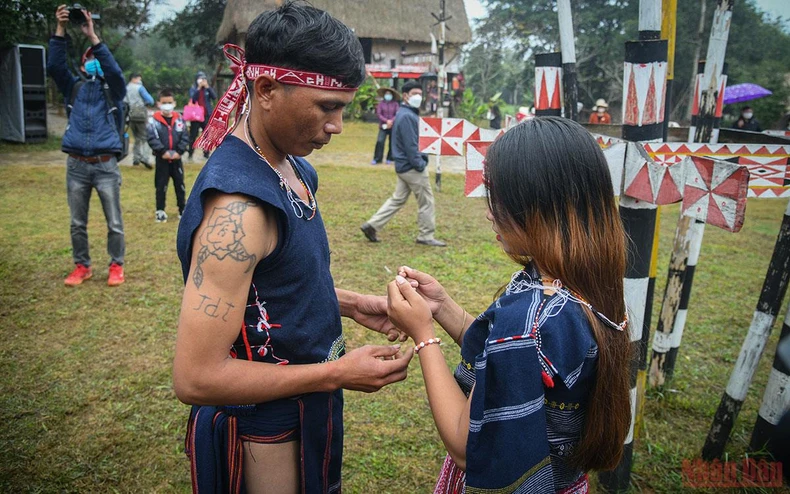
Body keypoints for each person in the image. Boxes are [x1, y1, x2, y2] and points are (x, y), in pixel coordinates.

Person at [173, 3, 412, 492]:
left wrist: (349, 303)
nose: (338, 126)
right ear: (266, 90)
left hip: (309, 407)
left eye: (343, 108)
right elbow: (196, 376)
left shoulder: (294, 166)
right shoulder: (238, 212)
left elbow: (268, 285)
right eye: (327, 107)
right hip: (264, 429)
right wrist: (336, 373)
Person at [386, 117, 632, 493]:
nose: (489, 212)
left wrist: (424, 335)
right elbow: (511, 367)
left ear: (539, 208)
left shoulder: (529, 319)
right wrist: (444, 308)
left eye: (499, 199)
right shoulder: (581, 288)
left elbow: (466, 444)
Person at [47, 4, 127, 287]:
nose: (94, 62)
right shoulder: (74, 87)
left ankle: (116, 266)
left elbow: (115, 71)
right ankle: (82, 266)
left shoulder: (114, 90)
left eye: (98, 59)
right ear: (83, 66)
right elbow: (55, 66)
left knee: (114, 222)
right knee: (76, 223)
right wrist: (60, 28)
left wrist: (93, 37)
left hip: (106, 164)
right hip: (77, 165)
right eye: (89, 59)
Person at [360, 80, 446, 247]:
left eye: (420, 94)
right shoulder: (407, 116)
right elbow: (411, 145)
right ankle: (426, 235)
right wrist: (420, 164)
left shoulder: (405, 113)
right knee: (427, 201)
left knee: (397, 199)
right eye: (415, 94)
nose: (419, 97)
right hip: (411, 167)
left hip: (403, 166)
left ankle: (372, 225)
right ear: (406, 96)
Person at [147, 88, 190, 223]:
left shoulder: (180, 120)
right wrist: (162, 151)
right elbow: (152, 138)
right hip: (162, 159)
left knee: (180, 185)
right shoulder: (154, 121)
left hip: (177, 159)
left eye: (169, 102)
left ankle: (182, 209)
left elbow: (185, 136)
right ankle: (160, 210)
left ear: (174, 103)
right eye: (164, 102)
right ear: (159, 104)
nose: (167, 105)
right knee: (161, 186)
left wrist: (179, 151)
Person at [125, 73, 155, 169]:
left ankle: (136, 158)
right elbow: (150, 100)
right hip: (141, 115)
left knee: (136, 137)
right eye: (139, 79)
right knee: (145, 137)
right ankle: (145, 158)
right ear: (134, 79)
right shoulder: (139, 87)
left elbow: (124, 101)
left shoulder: (126, 88)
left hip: (130, 115)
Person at [187, 71, 217, 161]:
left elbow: (214, 97)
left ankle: (206, 153)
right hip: (195, 116)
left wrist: (208, 87)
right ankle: (190, 154)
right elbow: (193, 99)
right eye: (200, 79)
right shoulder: (193, 89)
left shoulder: (207, 89)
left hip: (206, 115)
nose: (202, 81)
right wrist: (199, 88)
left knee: (207, 135)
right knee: (193, 135)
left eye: (204, 79)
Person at [371, 86, 399, 165]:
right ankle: (377, 158)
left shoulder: (395, 104)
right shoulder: (381, 104)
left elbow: (397, 114)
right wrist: (386, 121)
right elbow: (379, 114)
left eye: (389, 94)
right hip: (383, 126)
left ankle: (390, 158)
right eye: (387, 94)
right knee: (380, 141)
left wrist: (391, 121)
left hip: (393, 126)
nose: (388, 95)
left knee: (392, 142)